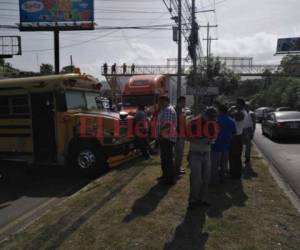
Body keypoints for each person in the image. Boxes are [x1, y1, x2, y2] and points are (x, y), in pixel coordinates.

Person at [187, 107, 218, 209]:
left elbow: (214, 135)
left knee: (206, 178)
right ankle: (193, 199)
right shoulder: (194, 122)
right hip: (195, 153)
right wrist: (200, 141)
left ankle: (203, 198)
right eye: (210, 118)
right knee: (196, 178)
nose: (211, 121)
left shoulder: (212, 122)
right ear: (205, 115)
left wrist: (212, 139)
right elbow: (187, 136)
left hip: (207, 153)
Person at [211, 104, 236, 184]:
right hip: (226, 146)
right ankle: (223, 179)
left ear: (220, 111)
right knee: (224, 164)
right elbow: (234, 133)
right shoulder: (231, 121)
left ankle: (215, 180)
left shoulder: (216, 121)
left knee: (215, 165)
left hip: (216, 145)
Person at [157, 95, 177, 185]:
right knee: (164, 158)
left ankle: (169, 178)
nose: (159, 103)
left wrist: (160, 133)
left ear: (165, 101)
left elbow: (167, 124)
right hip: (165, 138)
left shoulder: (168, 110)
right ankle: (165, 176)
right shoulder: (164, 110)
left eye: (160, 102)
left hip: (167, 138)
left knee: (167, 159)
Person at [229, 99, 245, 179]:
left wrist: (231, 110)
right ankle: (232, 172)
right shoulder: (238, 112)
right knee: (232, 155)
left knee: (236, 156)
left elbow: (232, 116)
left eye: (237, 104)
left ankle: (237, 174)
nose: (235, 105)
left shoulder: (241, 113)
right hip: (235, 137)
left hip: (237, 137)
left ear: (241, 105)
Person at [175, 96, 186, 177]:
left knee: (181, 153)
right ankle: (176, 169)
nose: (185, 104)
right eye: (184, 102)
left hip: (181, 134)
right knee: (178, 153)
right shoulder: (176, 111)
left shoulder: (181, 110)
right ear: (180, 102)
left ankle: (178, 167)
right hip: (178, 135)